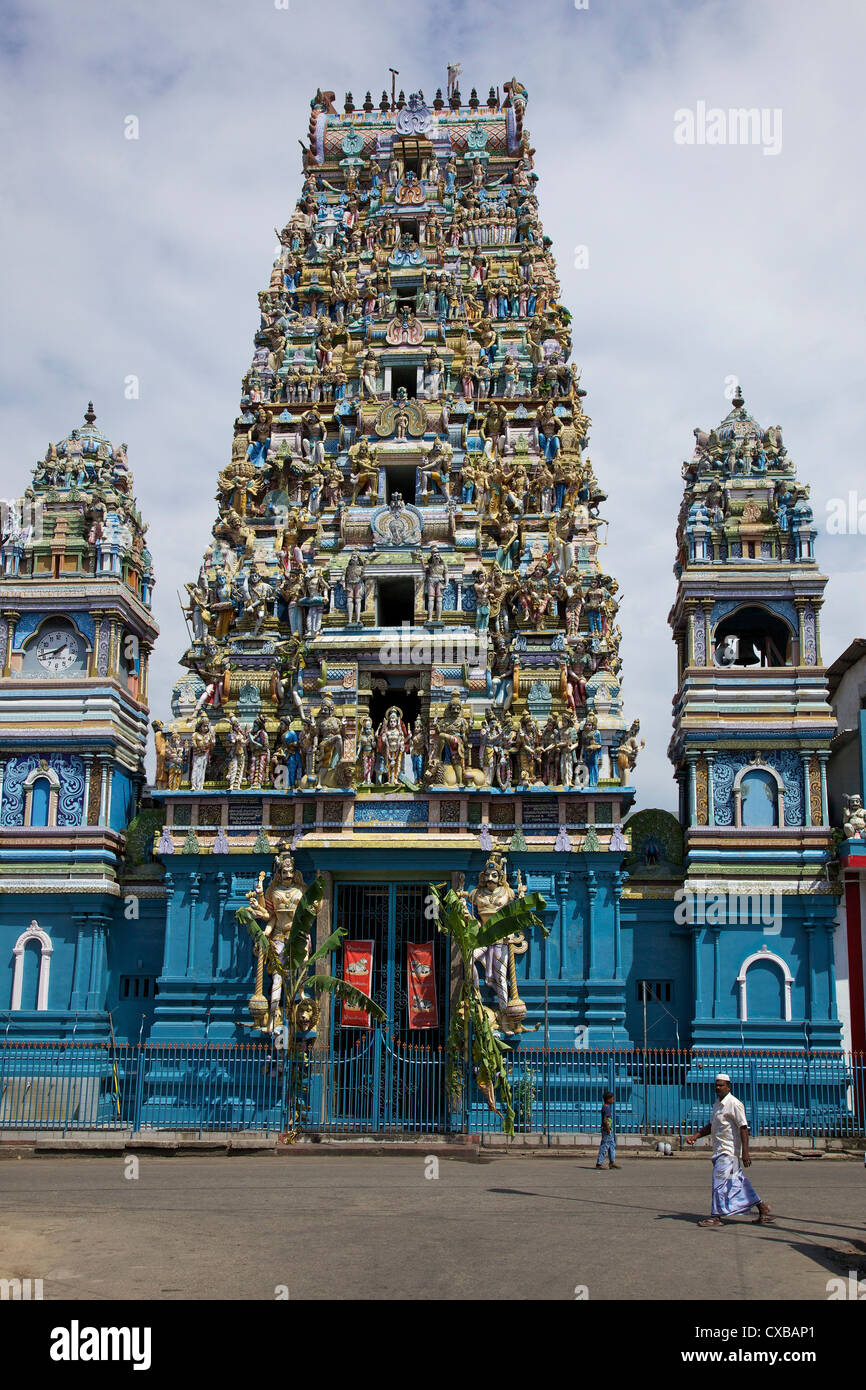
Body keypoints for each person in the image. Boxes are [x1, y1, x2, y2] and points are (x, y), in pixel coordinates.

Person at [686, 1073, 774, 1228]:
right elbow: (713, 1125)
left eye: (721, 1085)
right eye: (716, 1085)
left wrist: (745, 1153)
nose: (718, 1088)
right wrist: (697, 1135)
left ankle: (716, 1216)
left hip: (728, 1152)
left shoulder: (734, 1103)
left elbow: (743, 1128)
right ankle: (763, 1208)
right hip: (720, 1150)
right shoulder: (717, 1104)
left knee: (718, 1183)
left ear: (729, 1086)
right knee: (738, 1182)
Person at [595, 1090, 619, 1170]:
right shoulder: (607, 1108)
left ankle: (612, 1162)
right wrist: (608, 1130)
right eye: (612, 1098)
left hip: (608, 1129)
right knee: (605, 1145)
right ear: (608, 1099)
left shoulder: (606, 1107)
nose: (613, 1100)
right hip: (606, 1130)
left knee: (612, 1145)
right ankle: (599, 1163)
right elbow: (605, 1120)